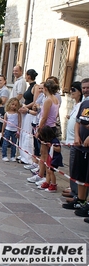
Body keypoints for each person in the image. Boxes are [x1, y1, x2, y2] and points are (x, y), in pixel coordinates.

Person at [62, 78, 89, 221]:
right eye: (83, 87)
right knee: (80, 176)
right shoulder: (85, 103)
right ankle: (80, 200)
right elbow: (79, 122)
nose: (85, 90)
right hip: (80, 146)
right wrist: (77, 137)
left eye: (87, 87)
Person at [27, 79, 60, 184]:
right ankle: (42, 174)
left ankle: (42, 175)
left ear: (45, 89)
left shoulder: (48, 100)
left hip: (46, 128)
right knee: (44, 153)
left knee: (44, 153)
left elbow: (44, 117)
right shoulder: (55, 99)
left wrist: (39, 129)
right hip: (52, 127)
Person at [17, 69, 39, 165]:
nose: (25, 77)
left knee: (27, 134)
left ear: (28, 76)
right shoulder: (30, 86)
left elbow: (35, 101)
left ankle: (28, 156)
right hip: (25, 111)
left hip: (30, 113)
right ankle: (22, 154)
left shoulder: (35, 87)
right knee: (23, 133)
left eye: (26, 75)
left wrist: (26, 107)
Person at [36, 126, 63, 192]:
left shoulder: (54, 140)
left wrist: (52, 146)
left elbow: (59, 149)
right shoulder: (49, 140)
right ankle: (47, 182)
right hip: (50, 157)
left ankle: (53, 184)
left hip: (55, 158)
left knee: (51, 171)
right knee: (48, 170)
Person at [1, 98, 21, 162]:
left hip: (15, 131)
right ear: (9, 104)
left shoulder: (18, 113)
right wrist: (2, 131)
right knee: (5, 143)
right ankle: (4, 155)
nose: (13, 106)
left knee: (14, 144)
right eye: (12, 104)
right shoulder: (6, 113)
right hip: (7, 130)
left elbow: (19, 122)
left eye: (15, 105)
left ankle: (13, 156)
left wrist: (18, 131)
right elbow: (4, 122)